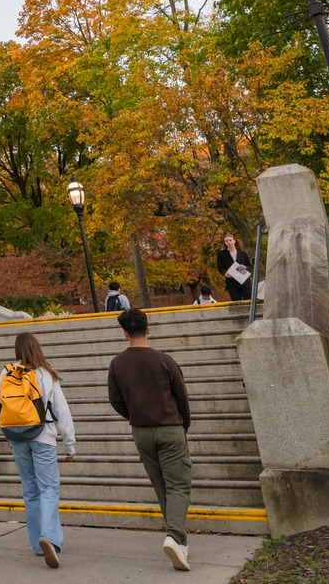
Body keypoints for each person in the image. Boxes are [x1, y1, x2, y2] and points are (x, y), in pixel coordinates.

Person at [107, 307, 195, 572]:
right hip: (170, 427)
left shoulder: (117, 363)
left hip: (141, 431)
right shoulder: (164, 361)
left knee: (161, 485)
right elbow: (182, 397)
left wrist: (134, 414)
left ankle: (179, 540)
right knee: (178, 484)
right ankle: (174, 537)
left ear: (124, 333)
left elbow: (115, 400)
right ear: (147, 329)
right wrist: (183, 425)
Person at [0, 332, 78, 568]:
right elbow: (61, 410)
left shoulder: (7, 372)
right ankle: (50, 537)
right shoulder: (45, 373)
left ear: (16, 349)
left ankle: (37, 543)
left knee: (31, 490)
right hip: (42, 436)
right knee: (49, 488)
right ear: (37, 348)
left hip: (16, 437)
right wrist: (69, 442)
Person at [215, 234, 254, 303]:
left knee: (248, 302)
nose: (229, 242)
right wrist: (225, 273)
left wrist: (245, 267)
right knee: (236, 304)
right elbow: (220, 267)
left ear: (234, 241)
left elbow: (250, 267)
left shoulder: (242, 253)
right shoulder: (221, 254)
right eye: (226, 241)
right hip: (232, 283)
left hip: (244, 282)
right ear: (224, 243)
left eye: (230, 240)